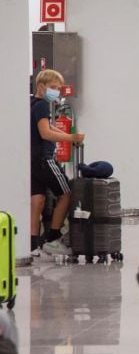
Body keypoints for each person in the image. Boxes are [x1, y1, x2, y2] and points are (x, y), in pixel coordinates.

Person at [30, 69, 84, 256]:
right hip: (45, 159)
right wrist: (71, 137)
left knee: (37, 200)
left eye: (59, 89)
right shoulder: (43, 105)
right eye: (53, 88)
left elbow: (48, 126)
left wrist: (68, 136)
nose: (57, 92)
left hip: (32, 160)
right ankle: (52, 238)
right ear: (41, 86)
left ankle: (32, 245)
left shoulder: (32, 103)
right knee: (66, 194)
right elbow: (46, 133)